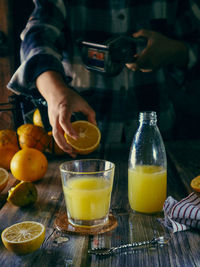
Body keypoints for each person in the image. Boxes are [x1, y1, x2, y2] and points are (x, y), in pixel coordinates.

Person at [7, 0, 200, 157]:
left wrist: (176, 51)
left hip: (161, 145)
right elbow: (37, 39)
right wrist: (57, 93)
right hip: (80, 146)